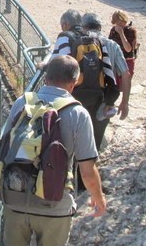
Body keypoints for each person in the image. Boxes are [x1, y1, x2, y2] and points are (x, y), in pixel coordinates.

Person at [0, 55, 106, 246]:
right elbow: (87, 170)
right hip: (54, 204)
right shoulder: (78, 113)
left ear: (45, 77)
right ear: (74, 82)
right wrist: (98, 199)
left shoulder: (23, 102)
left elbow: (5, 143)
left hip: (15, 198)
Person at [42, 9, 121, 152]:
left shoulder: (65, 37)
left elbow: (57, 64)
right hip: (95, 96)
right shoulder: (94, 39)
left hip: (73, 95)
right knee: (88, 136)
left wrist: (43, 65)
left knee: (68, 138)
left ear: (65, 24)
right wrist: (111, 98)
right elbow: (107, 68)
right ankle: (85, 166)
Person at [82, 12, 131, 122]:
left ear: (83, 27)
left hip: (81, 98)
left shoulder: (79, 43)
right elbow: (126, 75)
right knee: (98, 132)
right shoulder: (113, 46)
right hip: (106, 100)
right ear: (100, 27)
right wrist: (125, 102)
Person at [109, 10, 139, 77]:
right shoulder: (113, 30)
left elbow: (128, 49)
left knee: (125, 84)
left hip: (127, 61)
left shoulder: (131, 31)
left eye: (120, 22)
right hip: (116, 61)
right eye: (116, 22)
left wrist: (121, 33)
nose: (118, 25)